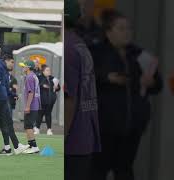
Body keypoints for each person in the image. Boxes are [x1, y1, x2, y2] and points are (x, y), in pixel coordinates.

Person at [91, 9, 162, 180]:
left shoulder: (138, 54)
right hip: (105, 125)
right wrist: (107, 78)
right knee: (98, 170)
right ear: (109, 32)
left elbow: (157, 83)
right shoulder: (97, 52)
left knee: (124, 169)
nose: (127, 32)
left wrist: (151, 82)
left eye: (128, 28)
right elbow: (86, 78)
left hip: (132, 125)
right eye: (121, 28)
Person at [65, 0, 101, 179]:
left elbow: (68, 100)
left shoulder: (66, 48)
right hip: (84, 139)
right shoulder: (79, 44)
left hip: (70, 145)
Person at [19, 60, 41, 154]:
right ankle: (31, 145)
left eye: (24, 66)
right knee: (28, 126)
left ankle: (34, 146)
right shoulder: (33, 76)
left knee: (28, 126)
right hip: (34, 104)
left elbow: (30, 93)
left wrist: (27, 106)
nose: (23, 67)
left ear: (28, 67)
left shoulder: (29, 77)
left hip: (32, 105)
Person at [34, 65, 60, 135]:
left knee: (48, 114)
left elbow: (58, 88)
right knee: (40, 114)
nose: (49, 72)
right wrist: (42, 86)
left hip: (50, 100)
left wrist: (56, 87)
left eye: (49, 70)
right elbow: (37, 86)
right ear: (43, 71)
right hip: (42, 99)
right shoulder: (39, 77)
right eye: (47, 70)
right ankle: (37, 128)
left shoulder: (53, 78)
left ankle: (49, 129)